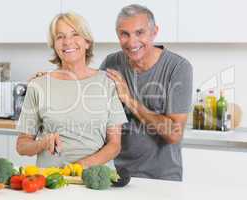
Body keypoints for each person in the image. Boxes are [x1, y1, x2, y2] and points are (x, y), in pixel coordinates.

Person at [16, 12, 128, 168]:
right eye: (60, 37)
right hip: (51, 181)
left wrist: (78, 168)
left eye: (75, 34)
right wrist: (42, 143)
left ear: (87, 42)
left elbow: (115, 145)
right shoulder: (38, 85)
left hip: (94, 181)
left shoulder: (106, 82)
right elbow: (22, 146)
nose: (67, 42)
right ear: (54, 45)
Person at [100, 4, 193, 181]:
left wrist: (128, 99)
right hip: (117, 175)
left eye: (139, 33)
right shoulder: (111, 62)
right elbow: (93, 106)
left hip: (162, 178)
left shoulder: (178, 68)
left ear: (154, 31)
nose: (132, 42)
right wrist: (49, 79)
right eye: (124, 34)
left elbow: (174, 133)